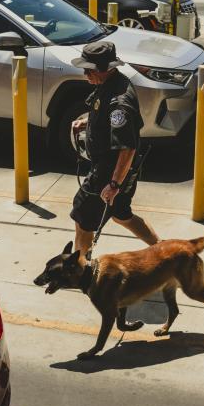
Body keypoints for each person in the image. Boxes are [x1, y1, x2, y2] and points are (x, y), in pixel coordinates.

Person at [69, 40, 159, 256]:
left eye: (89, 70)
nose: (85, 74)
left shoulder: (120, 103)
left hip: (109, 170)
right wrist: (88, 121)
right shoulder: (110, 84)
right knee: (120, 213)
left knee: (83, 216)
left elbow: (126, 149)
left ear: (105, 68)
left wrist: (113, 184)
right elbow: (102, 113)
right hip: (115, 169)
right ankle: (163, 251)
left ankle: (79, 268)